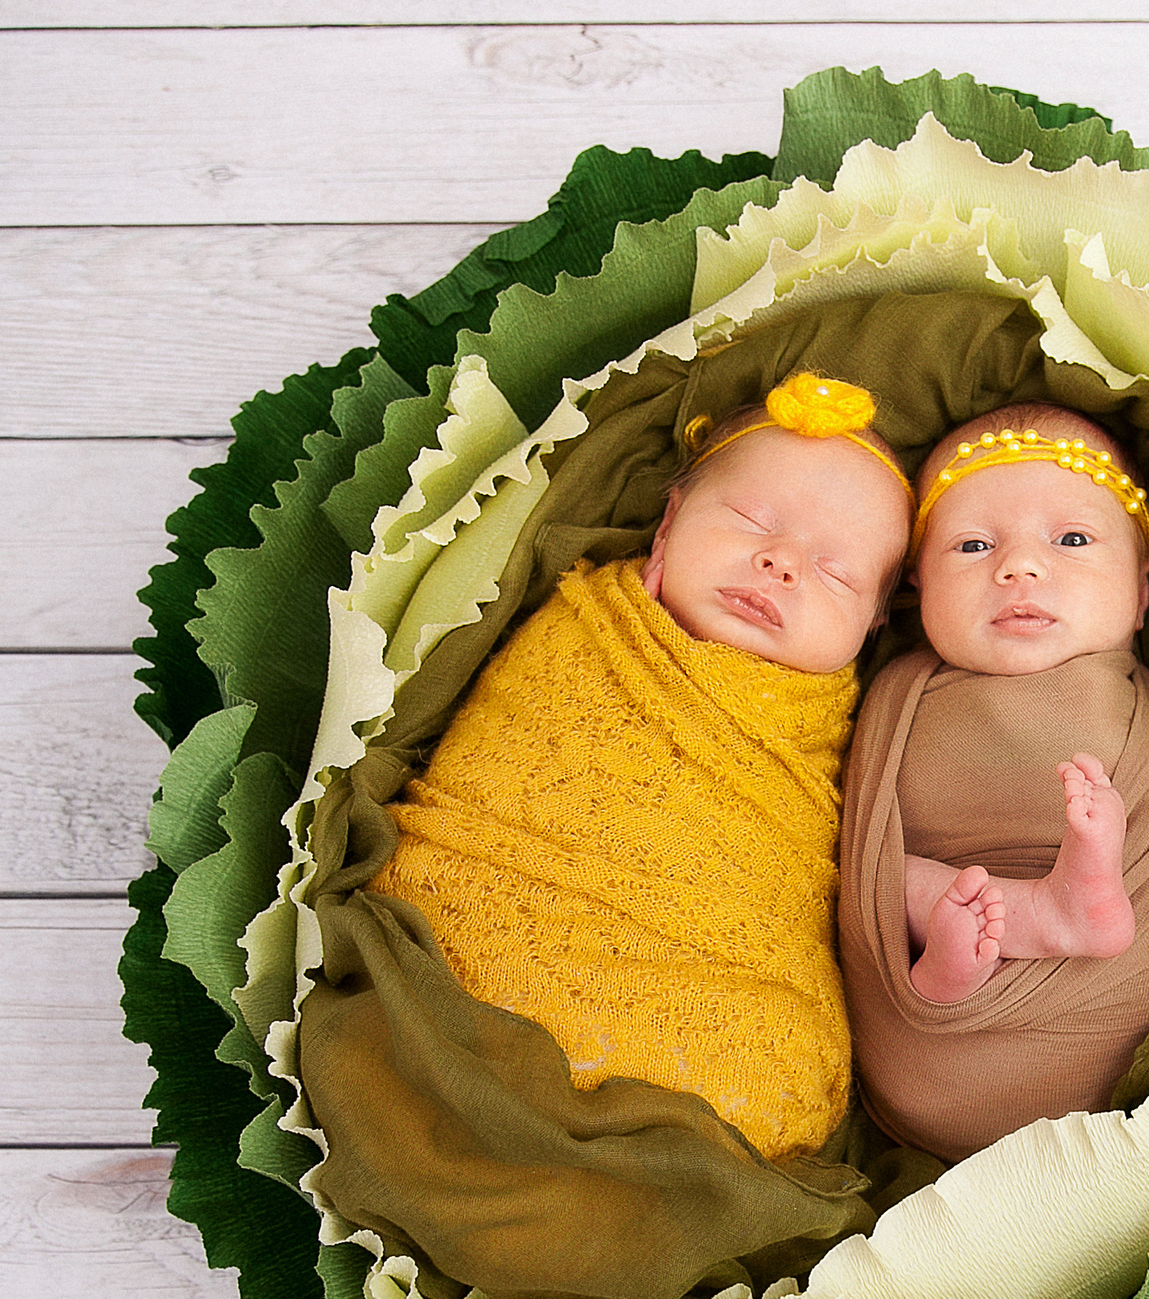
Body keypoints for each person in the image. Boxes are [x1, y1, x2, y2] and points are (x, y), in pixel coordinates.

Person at [360, 371, 913, 1162]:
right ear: (668, 527)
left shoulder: (858, 723)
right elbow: (500, 753)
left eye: (837, 572)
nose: (781, 562)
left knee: (766, 1065)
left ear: (871, 625)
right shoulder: (587, 629)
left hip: (720, 970)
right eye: (753, 521)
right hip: (494, 900)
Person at [838, 403, 1149, 1161]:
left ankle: (1027, 921)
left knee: (917, 881)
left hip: (1088, 1033)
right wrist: (894, 900)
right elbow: (854, 846)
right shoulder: (897, 693)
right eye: (973, 545)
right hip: (921, 1039)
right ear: (918, 587)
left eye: (1072, 539)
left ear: (1141, 592)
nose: (1018, 567)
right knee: (887, 877)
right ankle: (1004, 931)